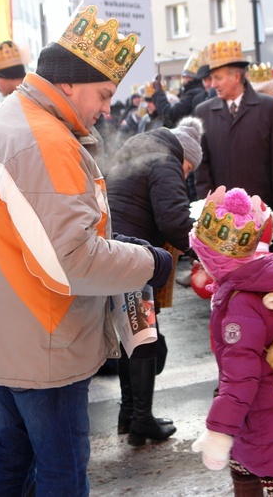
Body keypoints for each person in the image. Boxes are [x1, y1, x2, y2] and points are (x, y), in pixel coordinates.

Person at [0, 6, 173, 495]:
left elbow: (40, 238)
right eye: (103, 95)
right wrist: (152, 262)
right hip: (42, 342)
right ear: (70, 84)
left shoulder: (8, 122)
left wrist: (118, 245)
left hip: (5, 334)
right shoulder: (44, 141)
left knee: (10, 459)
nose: (105, 109)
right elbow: (73, 259)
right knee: (62, 471)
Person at [189, 186, 273, 497]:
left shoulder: (240, 304)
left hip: (261, 416)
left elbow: (240, 379)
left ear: (214, 260)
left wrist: (218, 432)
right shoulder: (254, 276)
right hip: (269, 407)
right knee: (244, 469)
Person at [105, 116, 205, 445]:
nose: (185, 175)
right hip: (132, 255)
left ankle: (128, 413)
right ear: (185, 156)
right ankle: (141, 421)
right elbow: (173, 219)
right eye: (188, 169)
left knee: (129, 338)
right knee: (146, 340)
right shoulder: (167, 160)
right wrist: (207, 252)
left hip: (113, 246)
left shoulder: (140, 146)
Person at [194, 40, 273, 252]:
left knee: (264, 274)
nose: (213, 84)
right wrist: (208, 202)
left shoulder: (271, 108)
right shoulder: (203, 112)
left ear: (237, 77)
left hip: (262, 211)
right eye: (212, 78)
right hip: (222, 217)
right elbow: (201, 165)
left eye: (218, 78)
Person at [151, 53, 205, 128]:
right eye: (184, 76)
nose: (184, 79)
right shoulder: (192, 91)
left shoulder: (193, 93)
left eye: (186, 77)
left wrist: (158, 92)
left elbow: (170, 115)